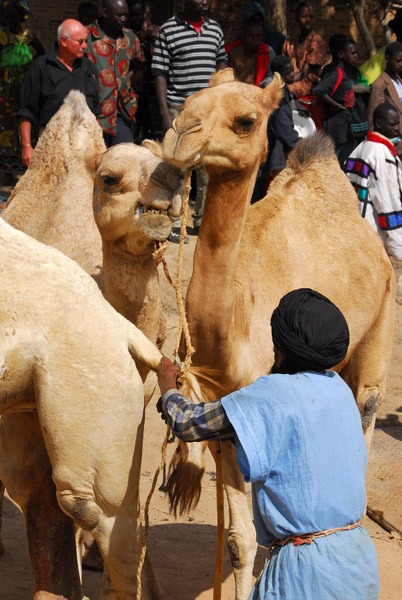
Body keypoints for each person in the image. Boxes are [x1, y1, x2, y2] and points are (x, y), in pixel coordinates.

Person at [156, 288, 380, 600]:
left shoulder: (269, 395)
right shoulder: (339, 390)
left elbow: (187, 422)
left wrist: (168, 385)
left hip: (305, 570)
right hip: (358, 561)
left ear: (280, 345)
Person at [152, 0, 226, 242]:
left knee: (207, 170)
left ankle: (203, 222)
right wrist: (165, 115)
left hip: (208, 112)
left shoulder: (215, 30)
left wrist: (220, 96)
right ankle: (172, 223)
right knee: (177, 169)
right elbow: (160, 74)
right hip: (179, 110)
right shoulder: (168, 30)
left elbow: (221, 63)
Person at [17, 18, 100, 168]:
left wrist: (97, 145)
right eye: (80, 42)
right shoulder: (41, 67)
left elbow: (95, 111)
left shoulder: (88, 68)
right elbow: (26, 110)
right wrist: (26, 146)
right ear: (63, 41)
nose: (85, 46)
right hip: (50, 144)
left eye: (85, 41)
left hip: (83, 146)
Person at [346, 103, 402, 260]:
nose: (397, 128)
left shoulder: (361, 148)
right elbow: (388, 204)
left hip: (355, 232)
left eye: (398, 123)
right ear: (378, 123)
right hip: (373, 238)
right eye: (393, 124)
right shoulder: (381, 155)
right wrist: (398, 249)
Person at [85, 0, 145, 147]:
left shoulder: (130, 38)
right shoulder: (87, 36)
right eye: (119, 15)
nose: (123, 19)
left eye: (126, 15)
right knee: (93, 162)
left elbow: (141, 65)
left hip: (123, 112)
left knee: (123, 160)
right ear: (105, 13)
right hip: (94, 113)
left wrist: (128, 80)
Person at [0, 0, 44, 181]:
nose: (10, 19)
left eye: (13, 15)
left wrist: (30, 65)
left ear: (20, 16)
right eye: (6, 16)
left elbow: (42, 52)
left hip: (24, 82)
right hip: (3, 84)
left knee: (24, 117)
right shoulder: (2, 36)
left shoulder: (29, 36)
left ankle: (23, 162)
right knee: (5, 121)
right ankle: (5, 167)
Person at [313, 37, 369, 168]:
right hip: (337, 124)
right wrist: (337, 105)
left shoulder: (355, 72)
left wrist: (348, 88)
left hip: (354, 122)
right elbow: (319, 90)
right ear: (341, 54)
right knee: (338, 161)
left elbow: (366, 88)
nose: (356, 56)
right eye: (353, 53)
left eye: (356, 52)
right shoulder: (334, 72)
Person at [252, 56, 300, 202]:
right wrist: (297, 143)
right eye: (288, 72)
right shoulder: (278, 92)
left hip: (259, 144)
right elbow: (281, 124)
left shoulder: (267, 86)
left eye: (292, 71)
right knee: (265, 188)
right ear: (278, 74)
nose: (292, 74)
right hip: (269, 145)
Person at [282, 2, 326, 99]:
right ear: (297, 18)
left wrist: (287, 82)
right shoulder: (290, 41)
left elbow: (304, 73)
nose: (308, 20)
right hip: (289, 79)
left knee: (283, 92)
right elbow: (283, 64)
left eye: (311, 17)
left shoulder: (317, 42)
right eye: (304, 16)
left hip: (306, 83)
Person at [367, 42, 402, 158]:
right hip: (393, 146)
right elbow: (373, 120)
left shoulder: (398, 80)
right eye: (398, 61)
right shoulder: (379, 84)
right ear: (387, 59)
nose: (401, 64)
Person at [226, 11, 274, 86]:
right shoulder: (232, 51)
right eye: (251, 35)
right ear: (244, 36)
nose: (254, 39)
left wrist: (263, 85)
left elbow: (271, 76)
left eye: (258, 36)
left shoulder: (268, 52)